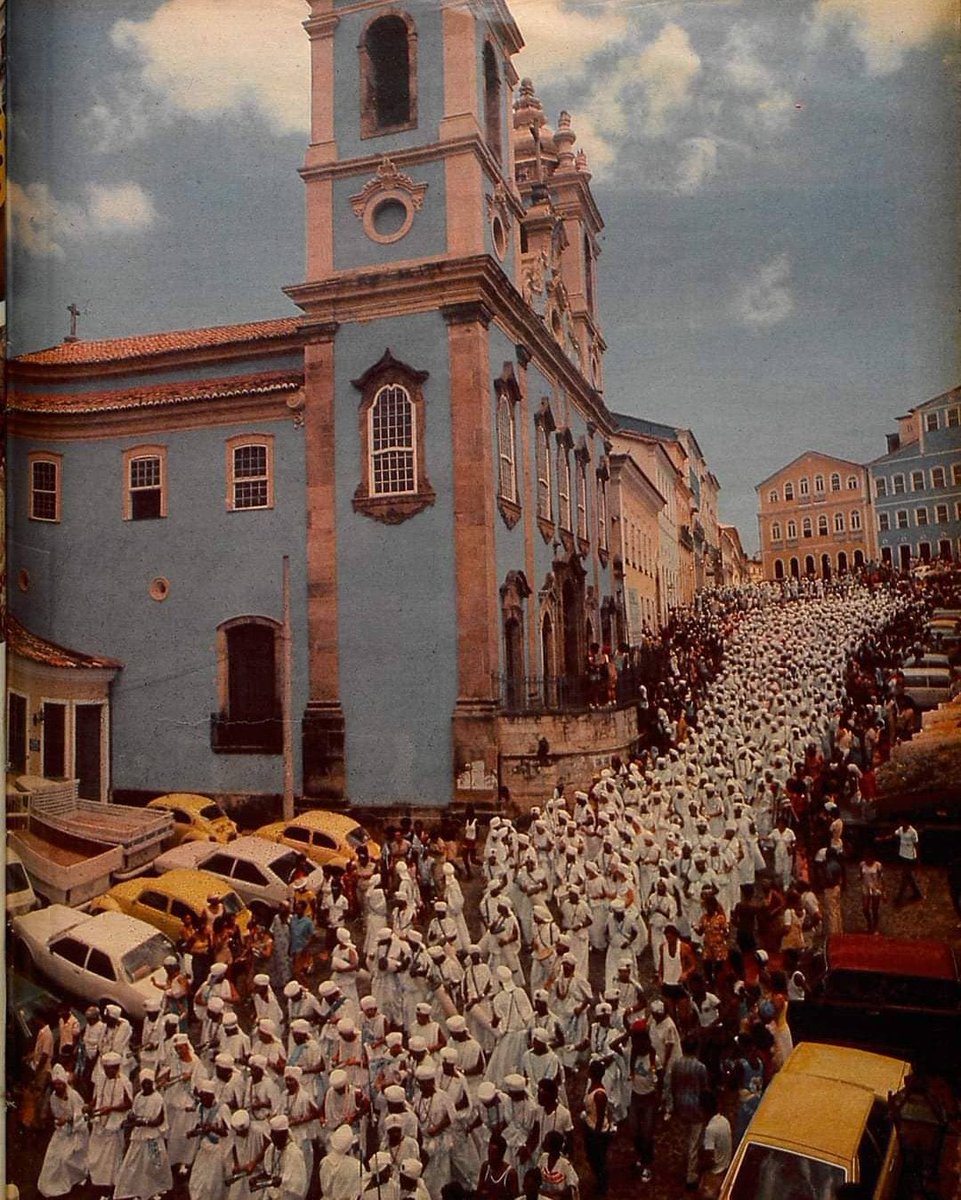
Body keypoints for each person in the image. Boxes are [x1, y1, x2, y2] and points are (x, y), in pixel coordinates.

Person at [38, 1065, 88, 1198]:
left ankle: (74, 1178)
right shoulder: (53, 1097)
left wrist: (68, 1120)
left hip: (76, 1132)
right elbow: (56, 1115)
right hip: (62, 1131)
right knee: (52, 1156)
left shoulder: (74, 1096)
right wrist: (61, 1123)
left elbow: (81, 1117)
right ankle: (51, 1183)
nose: (58, 1087)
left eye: (60, 1084)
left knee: (65, 1158)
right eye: (56, 1084)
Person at [667, 1036, 709, 1191]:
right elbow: (704, 1089)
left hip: (681, 1104)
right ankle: (691, 1176)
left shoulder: (677, 1064)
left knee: (685, 1137)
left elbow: (673, 1085)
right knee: (694, 1141)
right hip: (696, 1106)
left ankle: (684, 1165)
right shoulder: (700, 1067)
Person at [628, 1022, 657, 1183]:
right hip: (635, 1097)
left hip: (649, 1100)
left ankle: (647, 1164)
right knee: (634, 1130)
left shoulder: (653, 1058)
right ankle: (640, 1155)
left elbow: (657, 1081)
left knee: (647, 1134)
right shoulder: (633, 1055)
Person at [581, 1057, 613, 1196]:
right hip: (590, 1126)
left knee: (598, 1159)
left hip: (598, 1131)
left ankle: (602, 1185)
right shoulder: (592, 1087)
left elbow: (600, 1118)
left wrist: (596, 1135)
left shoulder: (599, 1094)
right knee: (592, 1157)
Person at [697, 1091, 732, 1198]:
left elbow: (709, 1157)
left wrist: (700, 1169)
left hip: (715, 1171)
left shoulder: (710, 1129)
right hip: (725, 1165)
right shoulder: (724, 1121)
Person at [474, 1132, 518, 1200]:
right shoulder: (485, 1167)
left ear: (501, 1154)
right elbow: (478, 1193)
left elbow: (515, 1198)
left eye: (493, 1154)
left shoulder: (510, 1174)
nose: (490, 1157)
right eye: (489, 1152)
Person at [859, 847, 884, 934]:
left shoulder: (878, 865)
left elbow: (881, 878)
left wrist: (883, 891)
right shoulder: (862, 865)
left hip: (875, 888)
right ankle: (869, 922)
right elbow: (861, 875)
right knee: (865, 908)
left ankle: (875, 926)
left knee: (874, 909)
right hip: (866, 887)